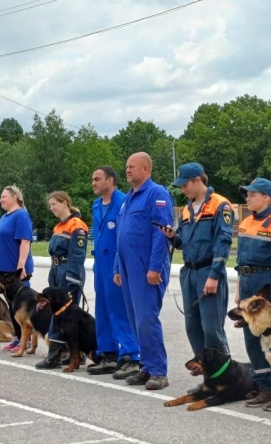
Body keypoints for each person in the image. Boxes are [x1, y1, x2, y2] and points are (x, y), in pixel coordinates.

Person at [162, 163, 234, 364]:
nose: (182, 190)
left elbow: (223, 241)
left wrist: (214, 275)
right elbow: (183, 243)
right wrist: (172, 237)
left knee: (211, 329)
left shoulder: (220, 205)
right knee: (192, 326)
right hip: (190, 273)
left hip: (208, 271)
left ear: (197, 180)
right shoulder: (186, 209)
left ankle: (225, 377)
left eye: (185, 185)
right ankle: (208, 376)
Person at [113, 152, 173, 390]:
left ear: (145, 169)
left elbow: (162, 233)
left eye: (132, 167)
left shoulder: (157, 194)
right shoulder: (128, 199)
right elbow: (121, 235)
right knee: (134, 319)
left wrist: (155, 267)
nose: (127, 170)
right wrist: (118, 267)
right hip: (128, 268)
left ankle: (159, 371)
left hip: (146, 267)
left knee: (147, 319)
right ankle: (146, 367)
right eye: (126, 166)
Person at [234, 178, 271, 409]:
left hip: (269, 284)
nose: (247, 198)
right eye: (247, 194)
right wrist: (239, 290)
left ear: (267, 198)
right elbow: (240, 261)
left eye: (252, 194)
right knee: (251, 339)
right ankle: (264, 386)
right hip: (247, 282)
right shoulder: (246, 222)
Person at [87, 166, 140, 376]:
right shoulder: (96, 205)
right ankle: (107, 354)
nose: (93, 182)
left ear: (110, 181)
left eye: (97, 179)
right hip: (101, 264)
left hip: (116, 263)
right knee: (102, 309)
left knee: (120, 309)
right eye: (92, 179)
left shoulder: (123, 202)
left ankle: (131, 355)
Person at [35, 191, 88, 370]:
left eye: (53, 204)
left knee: (63, 314)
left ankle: (55, 355)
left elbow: (77, 255)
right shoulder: (59, 226)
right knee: (63, 315)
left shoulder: (77, 225)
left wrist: (73, 281)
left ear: (64, 202)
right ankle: (76, 354)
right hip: (57, 270)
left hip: (68, 271)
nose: (51, 208)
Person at [0, 185, 34, 352]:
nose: (0, 200)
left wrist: (21, 265)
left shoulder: (21, 215)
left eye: (3, 197)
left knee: (22, 304)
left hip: (14, 269)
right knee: (12, 306)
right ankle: (17, 337)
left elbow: (25, 241)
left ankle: (26, 339)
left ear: (14, 197)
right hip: (3, 269)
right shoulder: (4, 216)